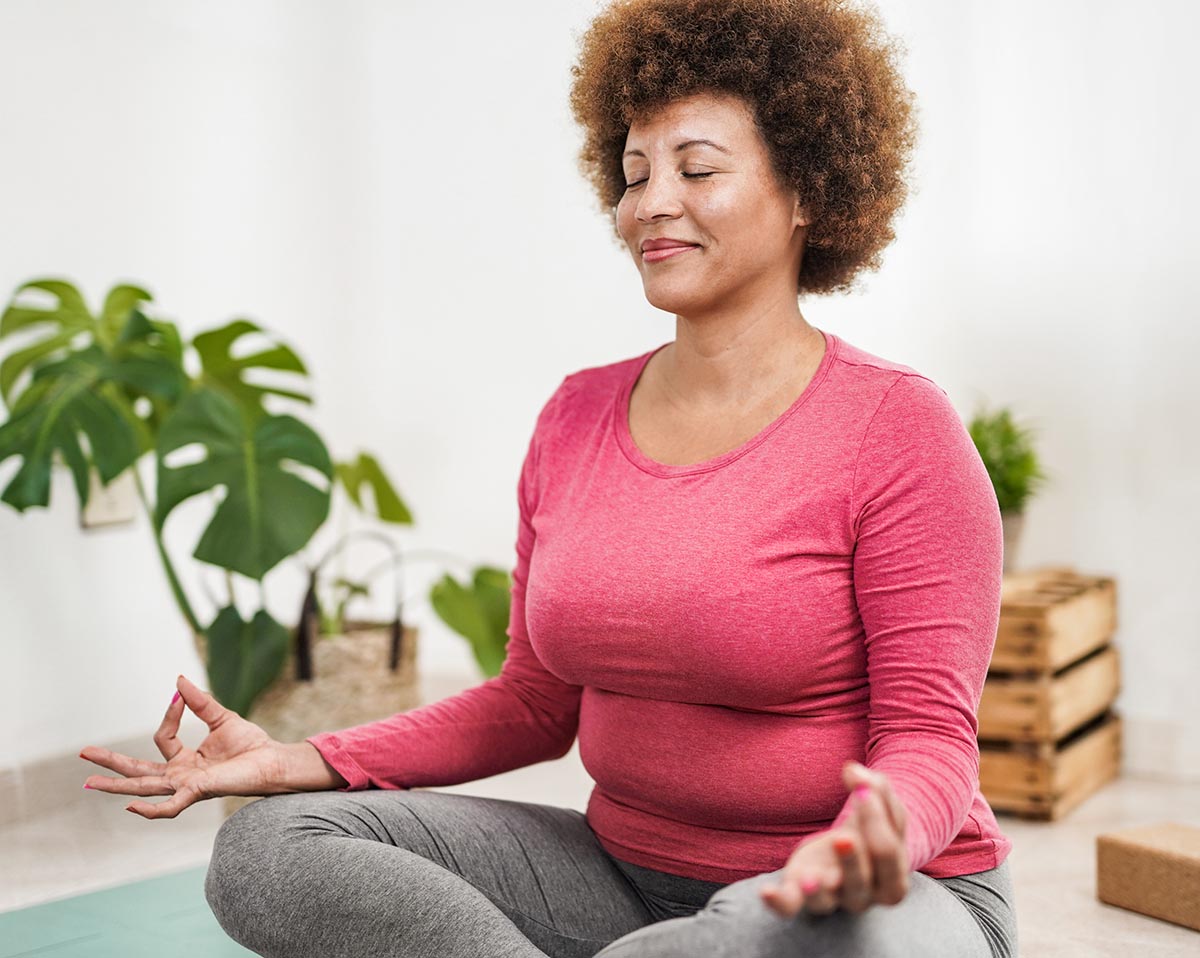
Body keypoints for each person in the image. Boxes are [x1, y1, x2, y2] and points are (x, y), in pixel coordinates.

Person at [79, 1, 1019, 956]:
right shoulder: (577, 416)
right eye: (634, 172)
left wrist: (878, 830)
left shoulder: (896, 427)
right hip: (618, 879)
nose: (651, 202)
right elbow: (531, 703)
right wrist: (301, 761)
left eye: (696, 168)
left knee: (736, 943)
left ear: (809, 188)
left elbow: (932, 737)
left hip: (863, 902)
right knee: (266, 852)